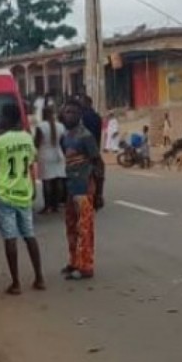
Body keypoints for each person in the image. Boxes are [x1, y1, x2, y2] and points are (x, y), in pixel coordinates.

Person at [0, 103, 45, 295]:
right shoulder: (27, 138)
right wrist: (32, 186)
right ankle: (39, 278)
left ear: (6, 118)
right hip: (24, 193)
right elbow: (31, 164)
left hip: (5, 194)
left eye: (1, 116)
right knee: (29, 235)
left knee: (10, 237)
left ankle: (16, 283)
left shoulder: (0, 141)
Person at [60, 101, 102, 281]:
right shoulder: (64, 137)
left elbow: (98, 164)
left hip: (85, 187)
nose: (69, 115)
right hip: (71, 188)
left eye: (73, 112)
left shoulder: (86, 136)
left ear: (79, 115)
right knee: (71, 226)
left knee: (85, 228)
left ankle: (86, 266)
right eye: (67, 112)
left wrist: (99, 193)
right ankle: (74, 261)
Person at [35, 105, 67, 213]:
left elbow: (37, 142)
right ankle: (56, 205)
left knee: (47, 181)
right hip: (58, 153)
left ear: (43, 114)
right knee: (58, 179)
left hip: (45, 154)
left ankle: (47, 206)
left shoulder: (41, 126)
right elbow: (63, 141)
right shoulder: (60, 126)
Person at [81, 96, 105, 208]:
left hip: (84, 150)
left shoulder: (82, 117)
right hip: (95, 148)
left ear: (86, 103)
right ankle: (98, 196)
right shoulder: (97, 117)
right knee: (98, 173)